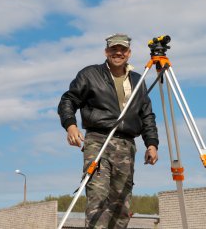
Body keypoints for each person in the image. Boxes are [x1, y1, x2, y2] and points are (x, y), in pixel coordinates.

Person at [58, 33, 159, 229]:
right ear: (106, 52)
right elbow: (68, 100)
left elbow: (147, 115)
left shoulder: (139, 79)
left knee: (121, 204)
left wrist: (152, 144)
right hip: (98, 140)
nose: (118, 53)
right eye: (114, 49)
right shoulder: (90, 74)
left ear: (129, 53)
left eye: (122, 50)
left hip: (127, 145)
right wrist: (70, 125)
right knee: (98, 197)